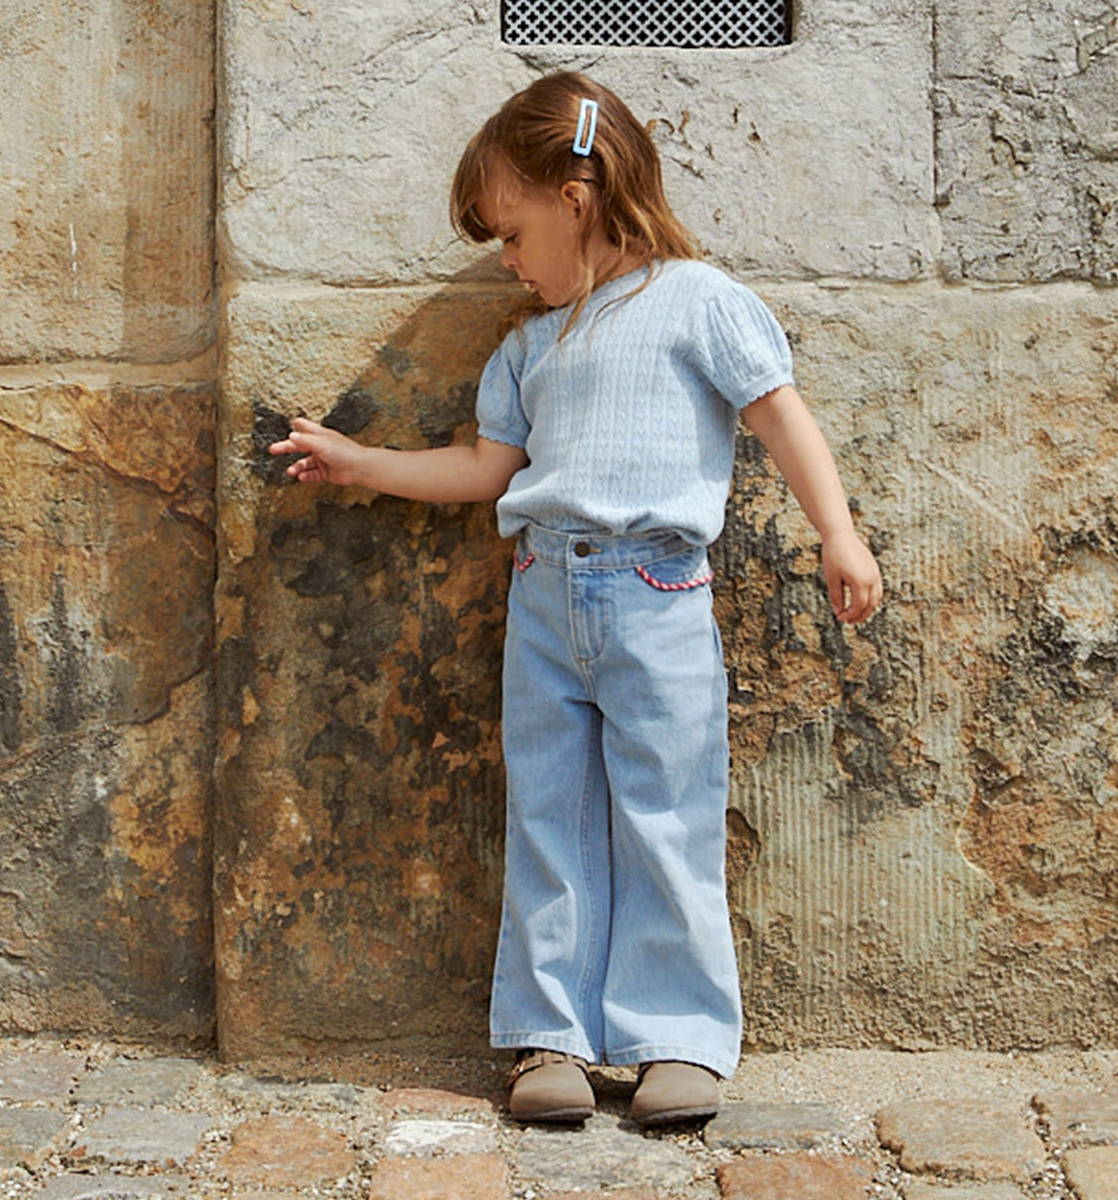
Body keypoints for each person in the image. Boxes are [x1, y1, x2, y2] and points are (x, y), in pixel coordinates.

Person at [271, 71, 882, 1126]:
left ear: (578, 196)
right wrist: (364, 463)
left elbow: (780, 416)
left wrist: (839, 532)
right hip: (544, 596)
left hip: (657, 591)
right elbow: (484, 467)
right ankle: (549, 1034)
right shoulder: (526, 348)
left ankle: (677, 1038)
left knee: (668, 812)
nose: (505, 261)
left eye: (509, 233)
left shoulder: (698, 301)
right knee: (550, 812)